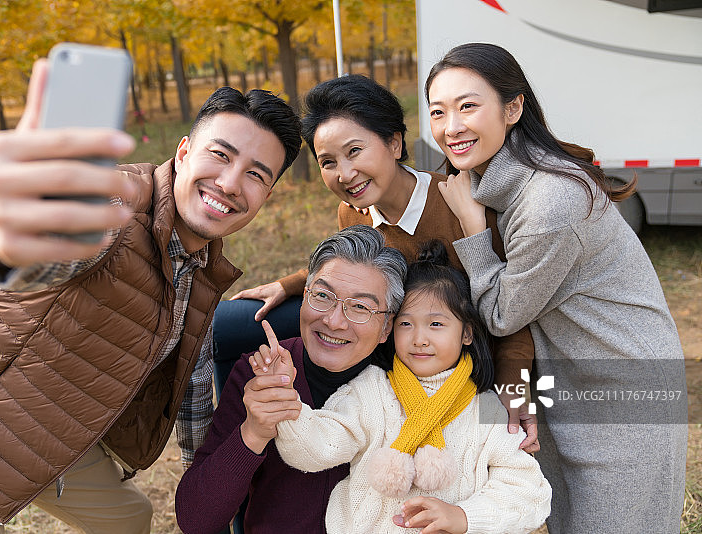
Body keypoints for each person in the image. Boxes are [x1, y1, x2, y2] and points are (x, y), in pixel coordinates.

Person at [0, 56, 301, 533]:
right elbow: (32, 258)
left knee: (130, 520)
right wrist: (10, 223)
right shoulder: (114, 214)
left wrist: (215, 479)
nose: (230, 183)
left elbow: (194, 394)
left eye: (256, 174)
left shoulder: (200, 268)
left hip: (41, 432)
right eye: (220, 155)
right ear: (183, 151)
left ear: (269, 193)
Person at [427, 42, 687, 532]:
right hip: (566, 379)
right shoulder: (493, 183)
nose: (451, 127)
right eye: (438, 112)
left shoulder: (550, 202)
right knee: (567, 516)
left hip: (622, 389)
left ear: (512, 107)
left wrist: (472, 231)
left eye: (468, 106)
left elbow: (502, 313)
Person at [213, 74, 538, 447]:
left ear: (395, 142)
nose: (345, 174)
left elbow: (512, 314)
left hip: (460, 364)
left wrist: (513, 391)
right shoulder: (352, 214)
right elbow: (360, 269)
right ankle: (236, 453)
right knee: (228, 325)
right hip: (385, 352)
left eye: (355, 151)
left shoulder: (461, 205)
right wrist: (289, 284)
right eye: (328, 162)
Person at [272, 240, 551, 533]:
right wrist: (285, 402)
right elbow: (317, 447)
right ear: (390, 329)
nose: (419, 338)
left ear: (467, 332)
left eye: (436, 324)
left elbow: (529, 491)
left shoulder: (488, 408)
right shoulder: (372, 390)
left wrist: (463, 517)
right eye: (406, 324)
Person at [174, 225, 408, 534]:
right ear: (304, 296)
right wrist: (254, 432)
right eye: (322, 296)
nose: (334, 321)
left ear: (387, 328)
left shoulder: (409, 386)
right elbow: (196, 520)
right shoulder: (257, 374)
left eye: (360, 307)